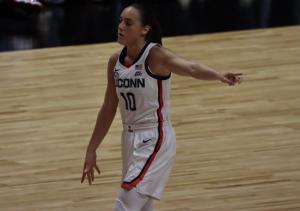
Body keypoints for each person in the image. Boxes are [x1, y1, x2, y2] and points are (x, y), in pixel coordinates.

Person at [81, 3, 242, 211]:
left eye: (128, 23)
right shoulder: (115, 62)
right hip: (129, 139)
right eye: (120, 20)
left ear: (145, 29)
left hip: (154, 138)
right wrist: (91, 149)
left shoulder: (155, 56)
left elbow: (191, 68)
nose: (121, 26)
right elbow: (109, 107)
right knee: (143, 207)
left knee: (124, 206)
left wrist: (219, 75)